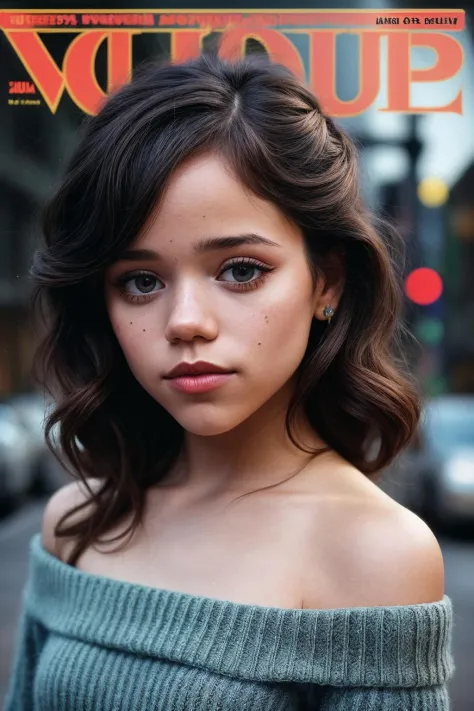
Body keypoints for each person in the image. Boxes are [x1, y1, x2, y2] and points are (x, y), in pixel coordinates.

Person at [4, 51, 454, 710]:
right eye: (141, 281)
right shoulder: (78, 520)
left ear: (326, 281)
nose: (186, 322)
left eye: (240, 270)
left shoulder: (377, 553)